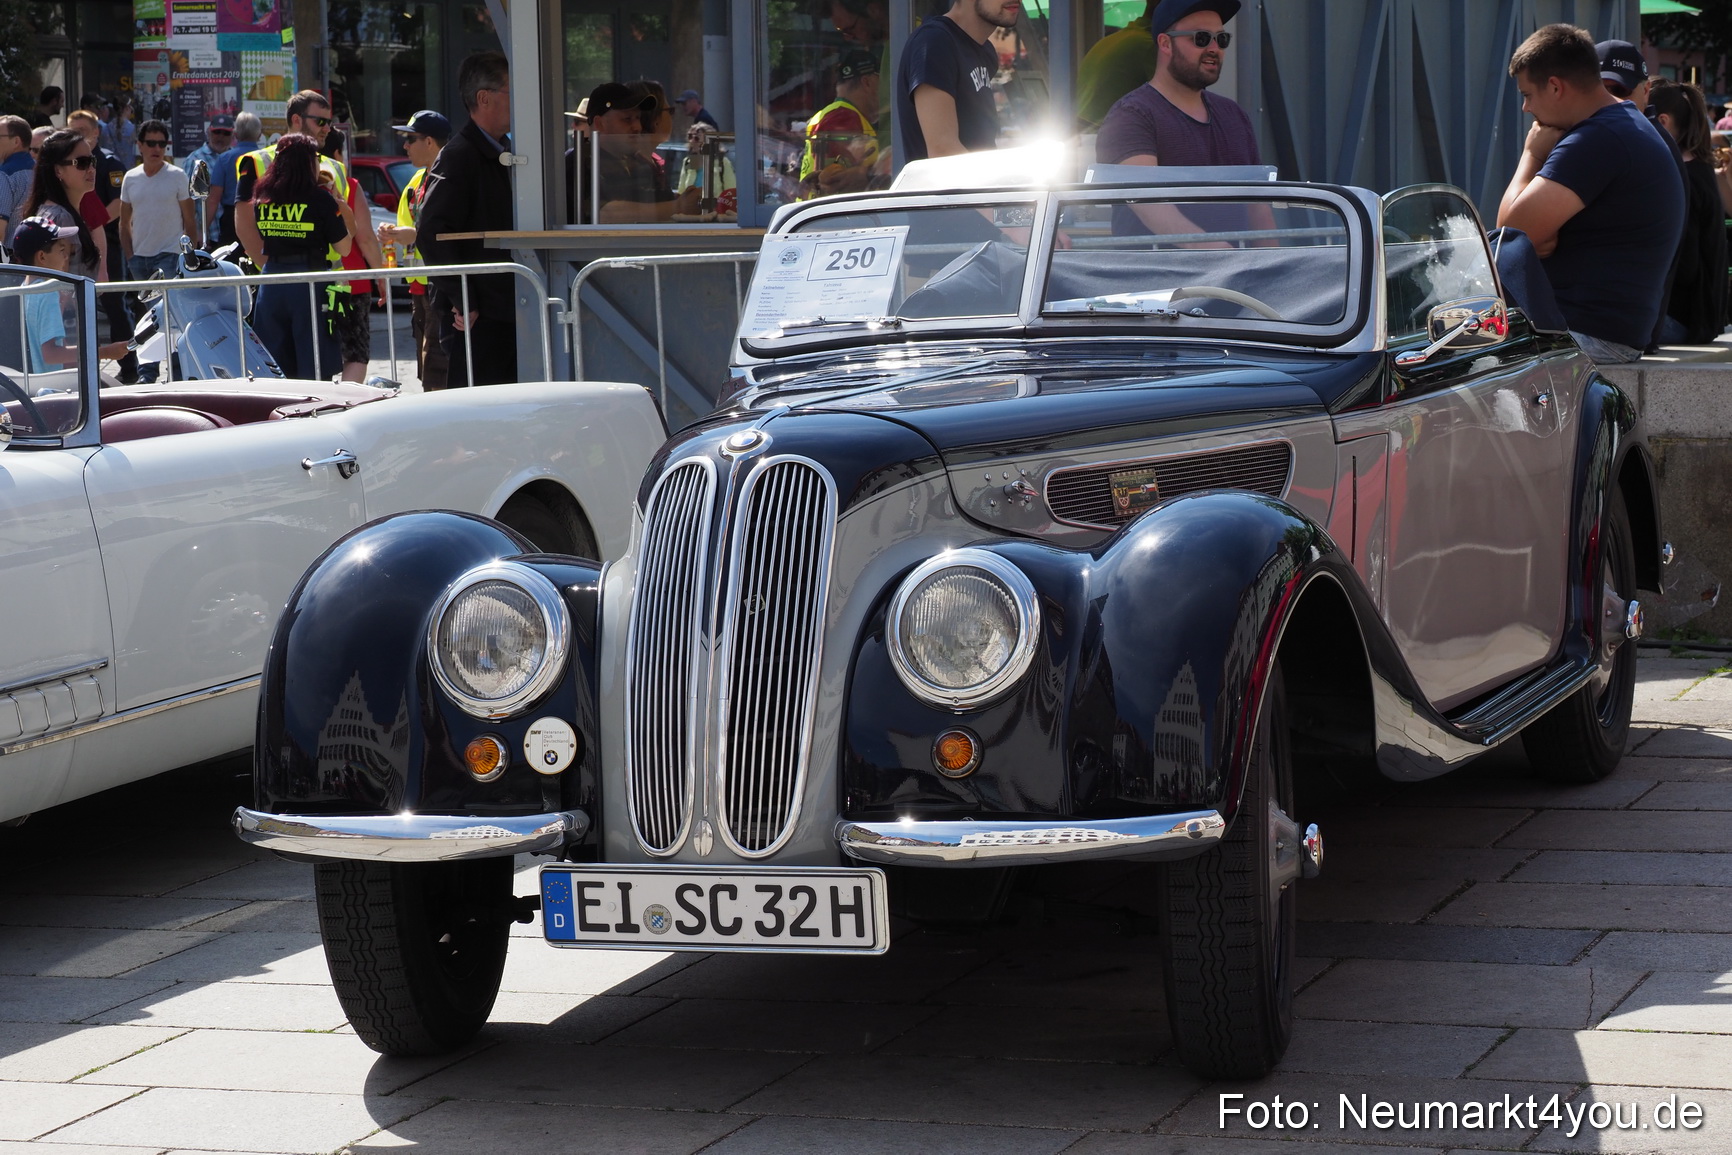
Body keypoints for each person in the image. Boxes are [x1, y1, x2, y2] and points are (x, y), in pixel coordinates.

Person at [1497, 24, 1683, 364]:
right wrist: (1537, 235)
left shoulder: (1598, 138)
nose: (1526, 108)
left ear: (1555, 86)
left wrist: (1532, 154)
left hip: (1587, 335)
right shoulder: (1622, 123)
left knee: (1438, 361)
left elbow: (1511, 234)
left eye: (1527, 95)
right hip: (1602, 331)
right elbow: (1530, 238)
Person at [416, 51, 520, 386]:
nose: (521, 99)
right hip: (481, 317)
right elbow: (430, 232)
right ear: (484, 98)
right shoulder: (460, 155)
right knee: (481, 409)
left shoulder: (508, 151)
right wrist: (464, 298)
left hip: (508, 308)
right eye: (513, 90)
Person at [248, 133, 356, 380]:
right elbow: (344, 248)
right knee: (314, 363)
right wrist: (342, 210)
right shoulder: (320, 199)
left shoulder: (263, 197)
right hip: (309, 282)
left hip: (271, 282)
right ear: (308, 162)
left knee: (274, 364)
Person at [1647, 80, 1728, 345]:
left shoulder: (1682, 178)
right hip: (1697, 319)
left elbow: (1685, 268)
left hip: (1683, 320)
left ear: (1662, 121)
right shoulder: (1698, 168)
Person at [377, 109, 451, 389]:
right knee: (427, 365)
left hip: (441, 285)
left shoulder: (450, 177)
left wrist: (412, 236)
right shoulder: (416, 180)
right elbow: (407, 225)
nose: (405, 146)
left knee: (438, 366)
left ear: (429, 142)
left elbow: (450, 230)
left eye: (411, 139)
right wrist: (391, 233)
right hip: (419, 286)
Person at [235, 90, 347, 270]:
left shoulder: (336, 167)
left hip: (329, 276)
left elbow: (348, 232)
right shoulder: (258, 161)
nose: (327, 129)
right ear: (296, 120)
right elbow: (245, 227)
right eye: (320, 121)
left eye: (329, 123)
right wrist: (277, 272)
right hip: (278, 275)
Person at [896, 0, 1018, 162]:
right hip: (950, 178)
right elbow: (943, 151)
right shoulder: (934, 41)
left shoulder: (984, 50)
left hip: (978, 177)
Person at [66, 108, 137, 382]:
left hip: (106, 243)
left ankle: (130, 368)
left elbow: (119, 203)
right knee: (80, 311)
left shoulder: (109, 163)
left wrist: (91, 225)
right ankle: (87, 368)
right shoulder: (66, 163)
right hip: (74, 246)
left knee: (115, 306)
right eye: (73, 131)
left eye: (83, 131)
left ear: (96, 132)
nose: (78, 136)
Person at [11, 216, 128, 372]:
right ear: (42, 257)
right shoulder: (47, 293)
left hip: (34, 382)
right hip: (52, 384)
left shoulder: (23, 288)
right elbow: (51, 354)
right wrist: (105, 352)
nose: (66, 256)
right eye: (61, 250)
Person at [321, 127, 387, 382]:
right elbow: (366, 238)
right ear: (338, 154)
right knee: (355, 353)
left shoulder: (299, 187)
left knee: (318, 351)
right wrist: (380, 276)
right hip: (352, 282)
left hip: (316, 281)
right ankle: (346, 402)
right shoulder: (348, 185)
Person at [118, 119, 197, 282]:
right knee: (146, 300)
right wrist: (130, 257)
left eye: (162, 144)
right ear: (140, 145)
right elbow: (124, 223)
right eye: (151, 143)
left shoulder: (178, 176)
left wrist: (188, 257)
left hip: (170, 256)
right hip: (139, 258)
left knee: (165, 299)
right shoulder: (130, 177)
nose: (157, 149)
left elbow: (190, 220)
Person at [798, 50, 882, 200]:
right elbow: (834, 183)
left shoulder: (832, 113)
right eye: (883, 82)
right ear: (867, 82)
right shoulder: (844, 119)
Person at [1076, 0, 1157, 132]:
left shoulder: (1115, 39)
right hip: (1109, 139)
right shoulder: (1149, 46)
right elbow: (1181, 107)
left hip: (1084, 136)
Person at [179, 114, 235, 245]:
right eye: (217, 132)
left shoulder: (235, 158)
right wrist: (196, 231)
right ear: (208, 132)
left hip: (233, 234)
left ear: (233, 136)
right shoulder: (195, 160)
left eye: (226, 133)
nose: (220, 137)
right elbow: (186, 201)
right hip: (207, 236)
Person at [211, 111, 261, 247]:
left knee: (230, 257)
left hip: (232, 218)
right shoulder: (266, 158)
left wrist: (203, 230)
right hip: (261, 216)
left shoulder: (224, 159)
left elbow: (213, 199)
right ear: (259, 135)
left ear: (236, 134)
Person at [0, 116, 33, 243]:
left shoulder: (4, 175)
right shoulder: (42, 170)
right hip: (42, 252)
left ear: (16, 141)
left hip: (11, 253)